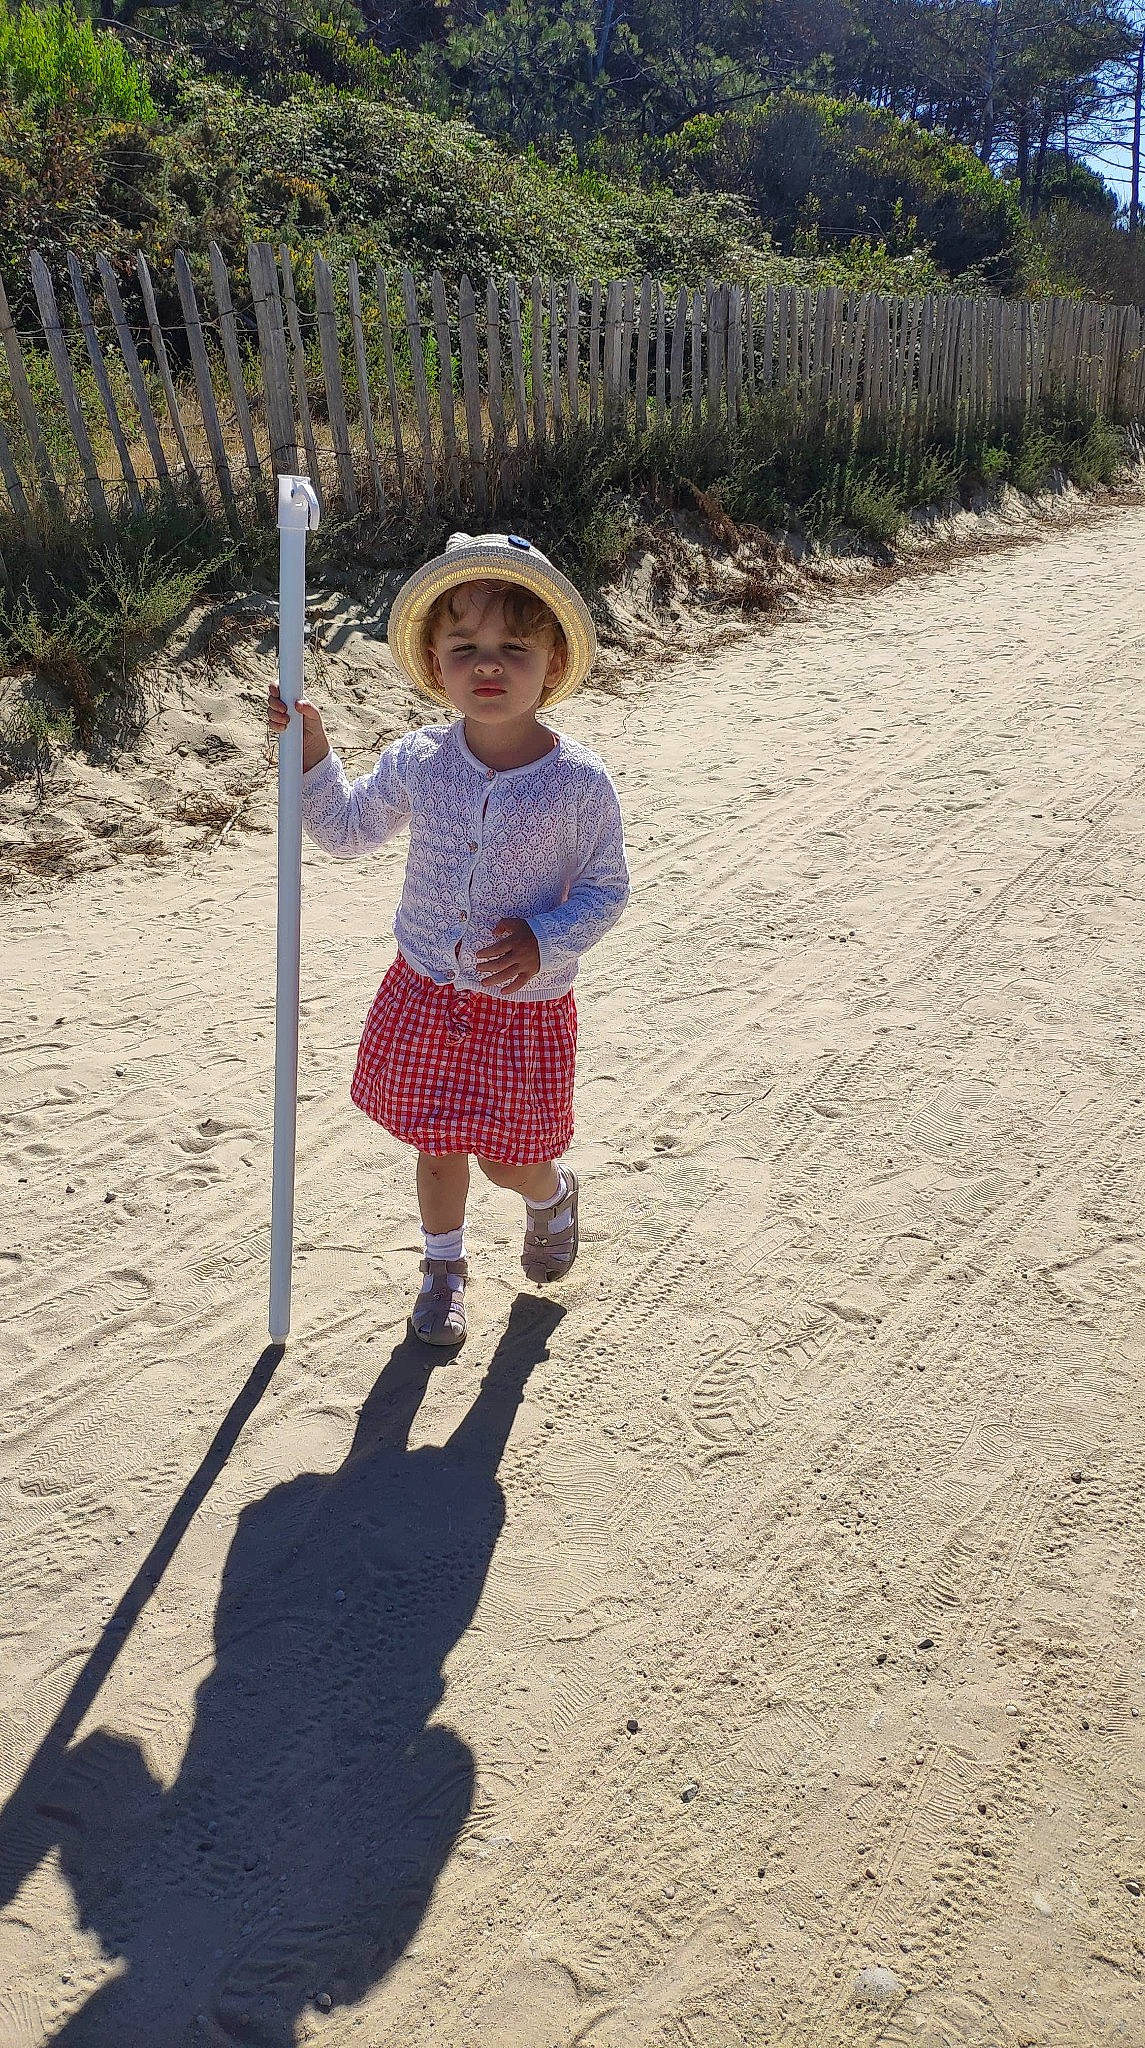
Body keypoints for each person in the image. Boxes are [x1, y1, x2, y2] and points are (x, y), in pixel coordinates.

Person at [267, 531, 630, 1347]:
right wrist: (315, 756)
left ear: (553, 660)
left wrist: (547, 938)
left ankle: (549, 1195)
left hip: (522, 1007)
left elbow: (608, 889)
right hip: (426, 990)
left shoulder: (577, 781)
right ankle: (442, 1267)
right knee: (437, 1146)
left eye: (513, 646)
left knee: (508, 1158)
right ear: (435, 664)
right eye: (464, 647)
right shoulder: (421, 760)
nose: (488, 664)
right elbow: (347, 829)